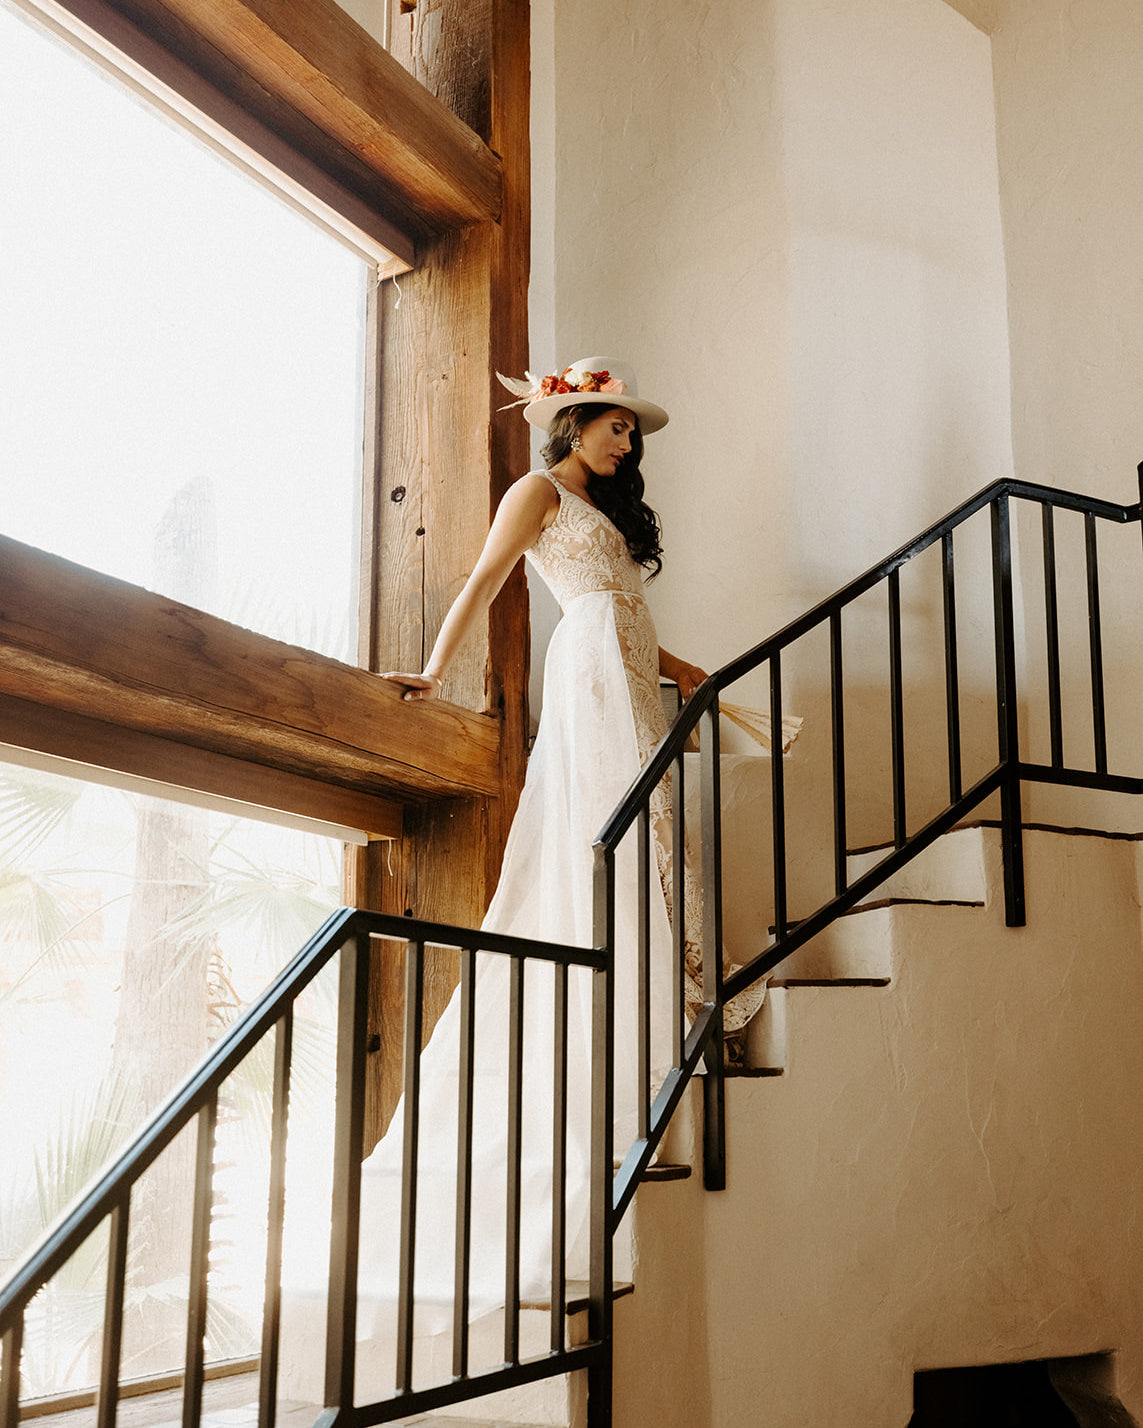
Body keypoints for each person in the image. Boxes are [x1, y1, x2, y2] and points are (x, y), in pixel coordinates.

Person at [336, 358, 757, 1391]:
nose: (626, 446)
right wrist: (435, 672)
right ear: (570, 423)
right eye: (614, 428)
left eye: (629, 435)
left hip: (630, 672)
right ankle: (669, 999)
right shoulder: (538, 494)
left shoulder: (603, 514)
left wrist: (696, 676)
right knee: (617, 824)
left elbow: (631, 618)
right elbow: (485, 581)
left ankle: (681, 985)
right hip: (588, 678)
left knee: (656, 824)